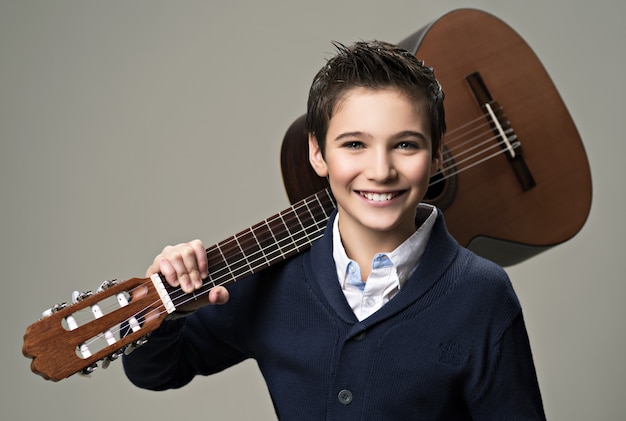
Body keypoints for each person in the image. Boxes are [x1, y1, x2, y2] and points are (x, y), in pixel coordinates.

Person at [122, 40, 545, 419]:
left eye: (406, 144)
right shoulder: (273, 280)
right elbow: (157, 371)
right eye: (355, 144)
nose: (380, 171)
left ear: (437, 155)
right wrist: (163, 304)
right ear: (317, 153)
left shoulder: (482, 294)